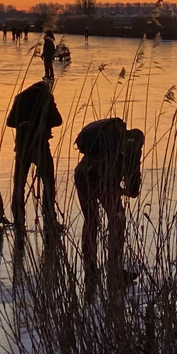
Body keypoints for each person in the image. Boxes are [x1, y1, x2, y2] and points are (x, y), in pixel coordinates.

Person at [73, 116, 145, 293]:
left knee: (91, 220)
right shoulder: (132, 147)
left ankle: (90, 268)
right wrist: (126, 191)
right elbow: (133, 186)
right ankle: (115, 270)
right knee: (117, 219)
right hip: (102, 179)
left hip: (82, 175)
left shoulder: (110, 138)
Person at [6, 78, 63, 225]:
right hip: (40, 146)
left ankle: (18, 219)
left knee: (19, 184)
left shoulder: (20, 98)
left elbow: (10, 122)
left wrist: (25, 122)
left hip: (22, 147)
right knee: (48, 182)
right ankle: (49, 216)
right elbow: (58, 120)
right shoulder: (46, 98)